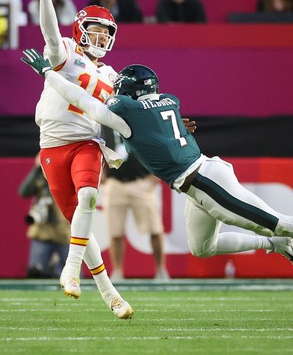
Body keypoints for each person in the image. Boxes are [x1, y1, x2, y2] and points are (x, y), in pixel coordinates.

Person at [21, 55, 293, 268]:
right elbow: (157, 125)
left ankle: (277, 236)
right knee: (202, 248)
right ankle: (275, 243)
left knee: (276, 221)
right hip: (199, 179)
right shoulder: (168, 101)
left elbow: (85, 101)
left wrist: (48, 73)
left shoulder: (129, 112)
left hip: (204, 180)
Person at [25, 0, 134, 320]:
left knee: (88, 197)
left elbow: (131, 111)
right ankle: (108, 290)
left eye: (107, 32)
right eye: (95, 30)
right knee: (78, 220)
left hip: (86, 142)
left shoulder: (112, 74)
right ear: (80, 29)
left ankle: (70, 268)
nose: (101, 37)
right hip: (52, 145)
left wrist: (173, 121)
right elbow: (51, 34)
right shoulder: (66, 53)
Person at [101, 127, 169, 281]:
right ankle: (117, 272)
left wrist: (154, 177)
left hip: (141, 181)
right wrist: (101, 173)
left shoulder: (139, 119)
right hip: (115, 182)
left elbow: (159, 146)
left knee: (155, 229)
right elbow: (94, 146)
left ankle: (161, 270)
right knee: (115, 232)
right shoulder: (103, 122)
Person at [18, 153, 71, 278]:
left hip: (64, 231)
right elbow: (23, 191)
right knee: (36, 273)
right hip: (42, 231)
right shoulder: (39, 178)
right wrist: (36, 170)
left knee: (72, 274)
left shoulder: (65, 175)